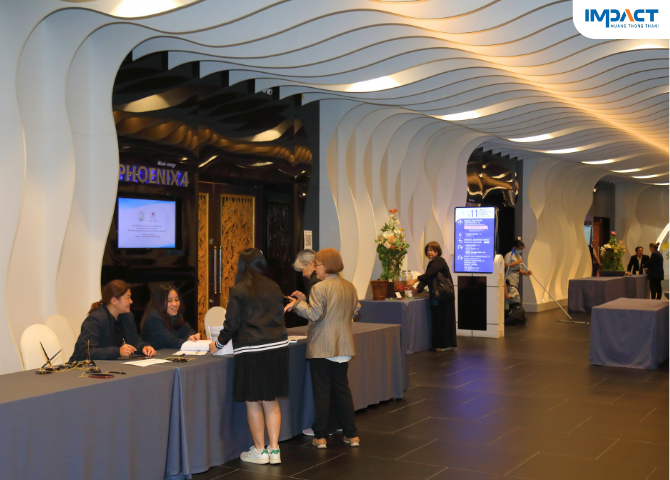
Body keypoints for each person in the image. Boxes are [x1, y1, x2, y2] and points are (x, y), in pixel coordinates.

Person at [208, 249, 288, 465]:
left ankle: (260, 451)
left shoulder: (240, 289)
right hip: (278, 348)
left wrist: (217, 344)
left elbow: (231, 322)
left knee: (253, 401)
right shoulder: (274, 286)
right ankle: (274, 450)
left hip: (251, 350)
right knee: (270, 400)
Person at [285, 248, 361, 449]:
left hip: (322, 345)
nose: (315, 268)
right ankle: (352, 435)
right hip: (343, 344)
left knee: (322, 392)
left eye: (317, 265)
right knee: (342, 390)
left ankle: (320, 437)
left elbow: (315, 314)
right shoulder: (349, 286)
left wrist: (298, 305)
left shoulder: (320, 287)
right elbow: (356, 310)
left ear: (326, 266)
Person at [291, 249, 340, 437]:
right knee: (337, 385)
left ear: (311, 265)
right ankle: (338, 423)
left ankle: (322, 427)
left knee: (322, 387)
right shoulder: (337, 281)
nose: (303, 274)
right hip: (336, 337)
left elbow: (315, 314)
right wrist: (305, 300)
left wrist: (297, 304)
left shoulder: (315, 281)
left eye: (302, 269)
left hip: (321, 339)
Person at [69, 280, 156, 362]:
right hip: (82, 367)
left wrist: (143, 347)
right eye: (128, 298)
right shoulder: (95, 320)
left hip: (109, 365)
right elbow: (86, 352)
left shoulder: (127, 316)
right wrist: (118, 351)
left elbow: (134, 341)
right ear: (114, 300)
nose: (131, 301)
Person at [407, 241, 457, 351]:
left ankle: (445, 345)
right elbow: (427, 278)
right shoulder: (432, 263)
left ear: (437, 251)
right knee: (439, 320)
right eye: (428, 250)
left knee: (444, 320)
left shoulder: (440, 261)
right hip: (438, 296)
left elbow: (428, 275)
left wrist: (415, 279)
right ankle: (441, 344)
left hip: (444, 296)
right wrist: (417, 289)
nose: (430, 252)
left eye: (433, 250)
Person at [140, 284, 200, 350]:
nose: (175, 304)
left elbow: (188, 330)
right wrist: (191, 344)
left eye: (176, 300)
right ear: (159, 302)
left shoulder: (174, 313)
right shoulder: (153, 317)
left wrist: (191, 337)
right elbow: (171, 341)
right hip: (157, 355)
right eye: (169, 301)